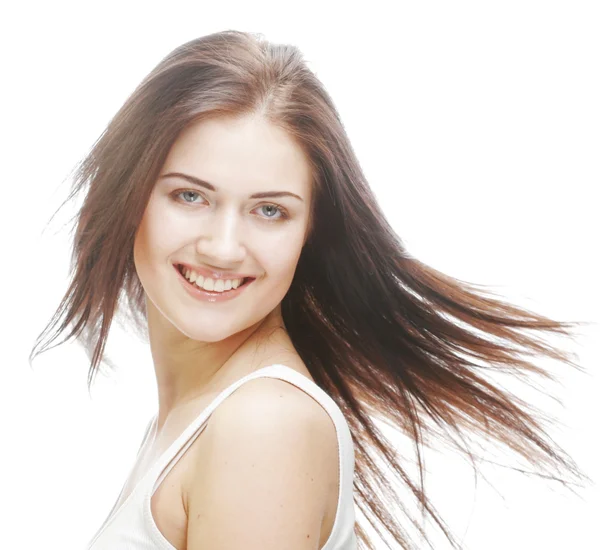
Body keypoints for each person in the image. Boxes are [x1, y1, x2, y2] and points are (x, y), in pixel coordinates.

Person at [30, 30, 590, 550]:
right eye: (190, 196)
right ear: (130, 193)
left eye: (269, 210)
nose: (224, 248)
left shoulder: (263, 424)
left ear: (309, 233)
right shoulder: (196, 418)